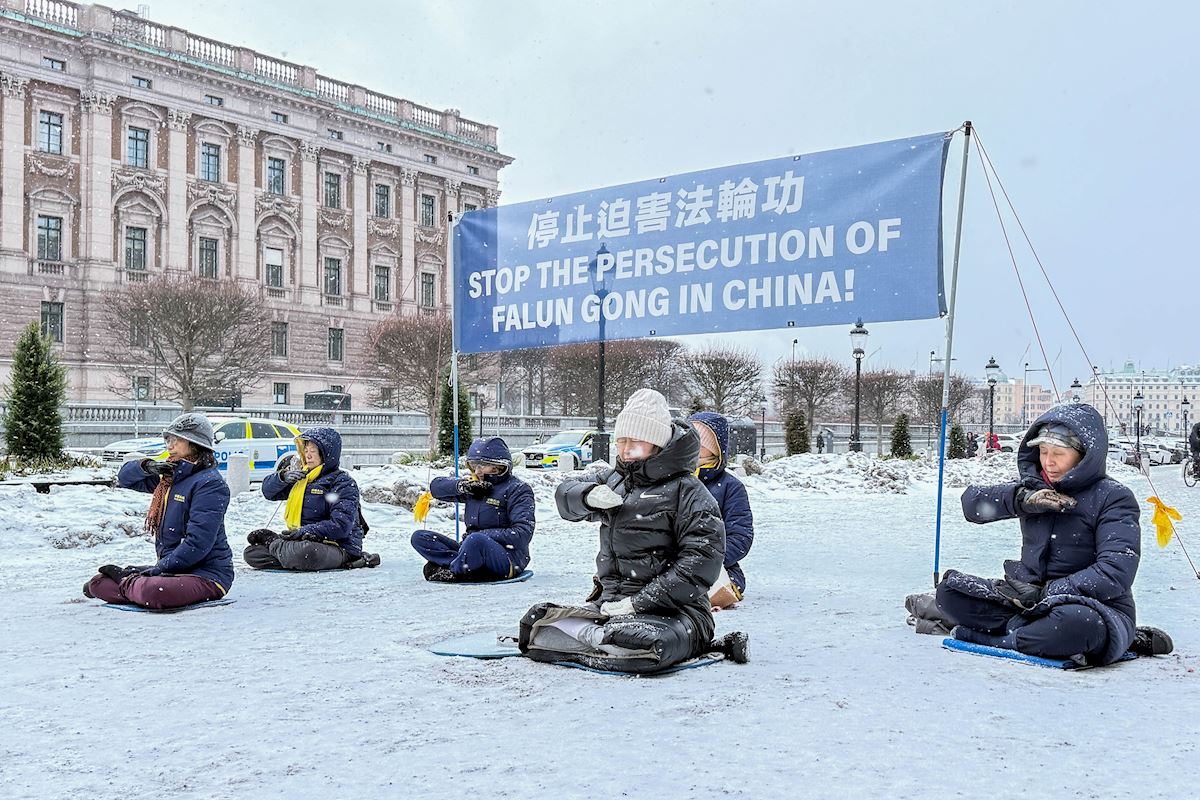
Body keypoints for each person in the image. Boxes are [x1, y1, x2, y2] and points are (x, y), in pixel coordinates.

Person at [519, 389, 748, 673]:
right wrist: (587, 496)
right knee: (537, 625)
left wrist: (639, 603)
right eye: (621, 441)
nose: (626, 450)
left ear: (657, 445)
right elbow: (565, 496)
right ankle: (604, 641)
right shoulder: (614, 479)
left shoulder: (688, 491)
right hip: (609, 607)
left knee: (648, 642)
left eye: (635, 443)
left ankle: (604, 642)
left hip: (676, 610)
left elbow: (701, 561)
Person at [934, 404, 1173, 664]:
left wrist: (1048, 593)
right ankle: (1028, 633)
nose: (1048, 462)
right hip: (1025, 601)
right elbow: (972, 504)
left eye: (1059, 453)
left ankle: (998, 638)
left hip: (1091, 607)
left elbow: (1115, 572)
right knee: (950, 592)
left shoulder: (1113, 497)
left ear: (1084, 456)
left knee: (1077, 625)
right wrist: (1021, 499)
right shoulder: (1035, 489)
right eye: (1043, 451)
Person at [84, 413, 233, 609]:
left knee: (154, 592)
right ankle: (134, 586)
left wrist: (155, 571)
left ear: (195, 444)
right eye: (168, 440)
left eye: (177, 440)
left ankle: (130, 584)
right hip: (171, 570)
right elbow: (125, 479)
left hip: (206, 575)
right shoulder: (170, 478)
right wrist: (147, 466)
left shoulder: (210, 485)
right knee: (97, 583)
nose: (170, 446)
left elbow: (198, 544)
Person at [244, 427, 379, 571]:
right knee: (251, 554)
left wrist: (303, 532)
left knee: (306, 553)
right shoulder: (303, 479)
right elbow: (268, 492)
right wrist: (282, 478)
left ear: (326, 454)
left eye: (313, 452)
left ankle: (275, 543)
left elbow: (340, 526)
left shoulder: (342, 483)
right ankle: (287, 553)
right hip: (301, 540)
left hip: (336, 546)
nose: (308, 456)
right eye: (305, 451)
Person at [410, 436, 534, 582]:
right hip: (470, 547)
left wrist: (483, 535)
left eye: (482, 466)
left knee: (476, 540)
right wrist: (462, 486)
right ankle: (464, 566)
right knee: (420, 537)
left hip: (506, 556)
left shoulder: (517, 489)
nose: (477, 471)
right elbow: (436, 487)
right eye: (473, 465)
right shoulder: (476, 487)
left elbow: (522, 534)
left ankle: (454, 571)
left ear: (497, 466)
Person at [688, 411, 754, 610]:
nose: (694, 447)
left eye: (702, 443)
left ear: (715, 448)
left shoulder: (730, 487)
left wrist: (708, 560)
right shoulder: (670, 482)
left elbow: (741, 536)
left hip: (714, 565)